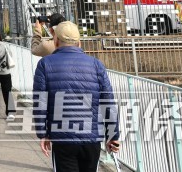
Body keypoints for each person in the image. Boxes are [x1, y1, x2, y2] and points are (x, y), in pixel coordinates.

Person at [33, 21, 120, 172]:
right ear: (79, 42)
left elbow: (40, 103)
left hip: (62, 138)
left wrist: (43, 133)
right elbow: (108, 103)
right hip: (91, 138)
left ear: (56, 41)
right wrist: (112, 135)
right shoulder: (96, 65)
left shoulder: (45, 64)